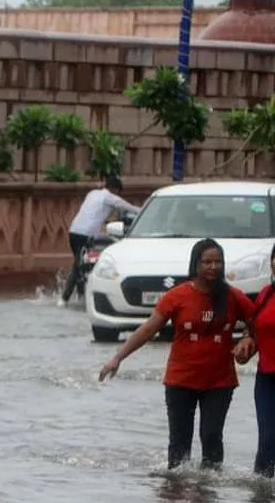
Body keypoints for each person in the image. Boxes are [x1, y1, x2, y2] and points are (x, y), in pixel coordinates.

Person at [100, 238, 256, 470]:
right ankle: (175, 500)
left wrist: (247, 339)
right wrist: (118, 357)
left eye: (218, 262)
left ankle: (209, 497)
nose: (213, 267)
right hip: (180, 381)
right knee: (179, 446)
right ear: (196, 265)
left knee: (212, 438)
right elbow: (148, 329)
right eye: (207, 262)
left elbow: (258, 322)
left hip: (219, 382)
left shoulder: (233, 296)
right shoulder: (177, 296)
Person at [62, 175, 142, 304]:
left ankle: (81, 297)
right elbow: (132, 209)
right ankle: (64, 299)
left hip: (73, 231)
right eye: (118, 192)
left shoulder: (92, 193)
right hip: (86, 235)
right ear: (115, 189)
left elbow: (94, 213)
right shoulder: (111, 198)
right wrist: (147, 211)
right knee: (78, 266)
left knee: (81, 264)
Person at [233, 243, 275, 477]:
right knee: (268, 440)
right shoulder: (265, 294)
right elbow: (255, 328)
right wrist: (247, 341)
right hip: (267, 378)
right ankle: (261, 502)